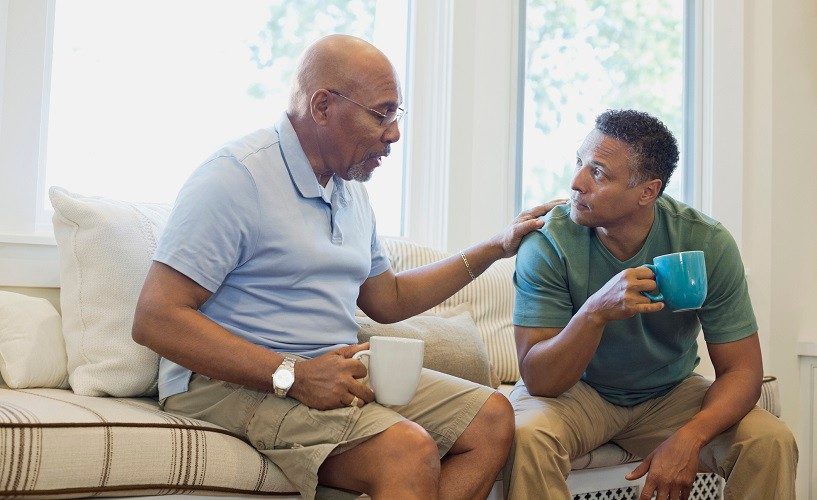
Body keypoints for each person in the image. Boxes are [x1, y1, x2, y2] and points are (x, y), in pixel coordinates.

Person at [131, 34, 560, 500]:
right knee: (406, 450)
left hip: (330, 370)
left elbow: (387, 298)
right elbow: (155, 317)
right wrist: (292, 374)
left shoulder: (348, 188)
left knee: (492, 418)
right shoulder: (236, 177)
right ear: (322, 106)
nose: (394, 132)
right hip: (222, 382)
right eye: (381, 113)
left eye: (396, 114)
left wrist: (495, 247)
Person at [506, 109, 797, 500]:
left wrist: (692, 435)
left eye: (598, 173)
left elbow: (743, 370)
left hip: (669, 393)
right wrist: (594, 313)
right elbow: (540, 379)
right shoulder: (548, 242)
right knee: (527, 436)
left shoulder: (705, 243)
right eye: (579, 163)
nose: (575, 183)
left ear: (647, 191)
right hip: (577, 394)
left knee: (770, 439)